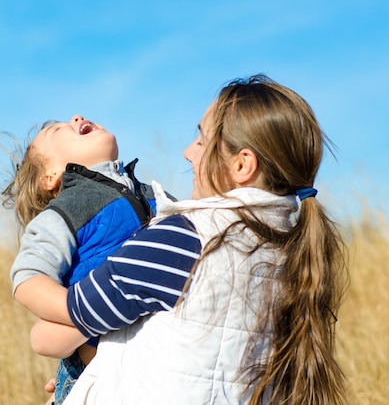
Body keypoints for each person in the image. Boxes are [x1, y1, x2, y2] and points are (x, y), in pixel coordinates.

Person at [27, 75, 349, 404]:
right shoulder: (294, 251)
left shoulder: (184, 239)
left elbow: (49, 334)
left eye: (200, 140)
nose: (187, 153)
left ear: (242, 164)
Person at [2, 115, 165, 404]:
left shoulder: (155, 195)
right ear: (50, 176)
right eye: (57, 130)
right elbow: (28, 278)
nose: (76, 117)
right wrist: (84, 313)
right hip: (95, 376)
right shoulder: (64, 211)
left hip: (152, 369)